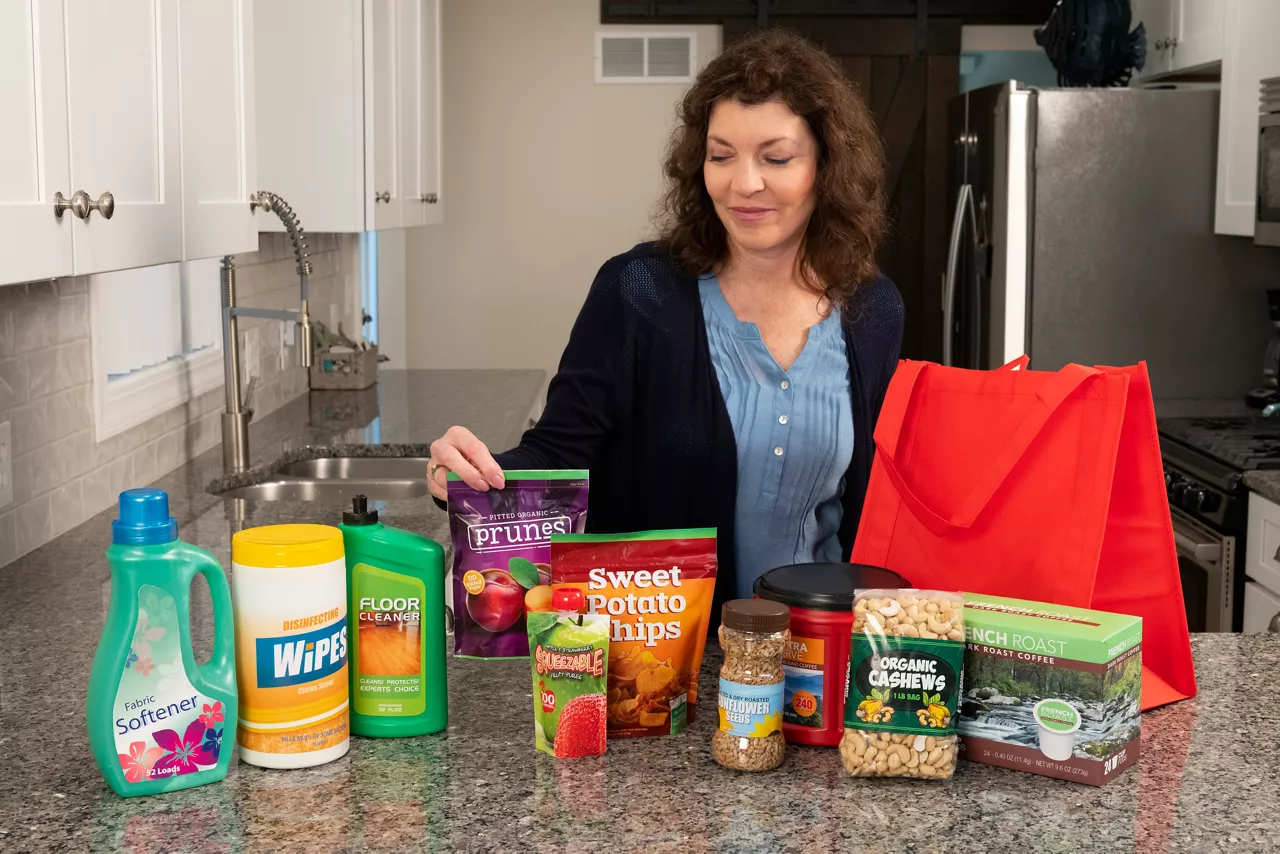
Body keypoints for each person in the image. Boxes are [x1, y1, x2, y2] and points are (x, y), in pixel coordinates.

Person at [427, 29, 903, 614]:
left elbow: (875, 501)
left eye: (776, 158)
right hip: (666, 666)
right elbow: (560, 455)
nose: (743, 183)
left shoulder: (873, 310)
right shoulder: (639, 290)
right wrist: (473, 472)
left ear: (826, 166)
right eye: (721, 155)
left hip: (819, 654)